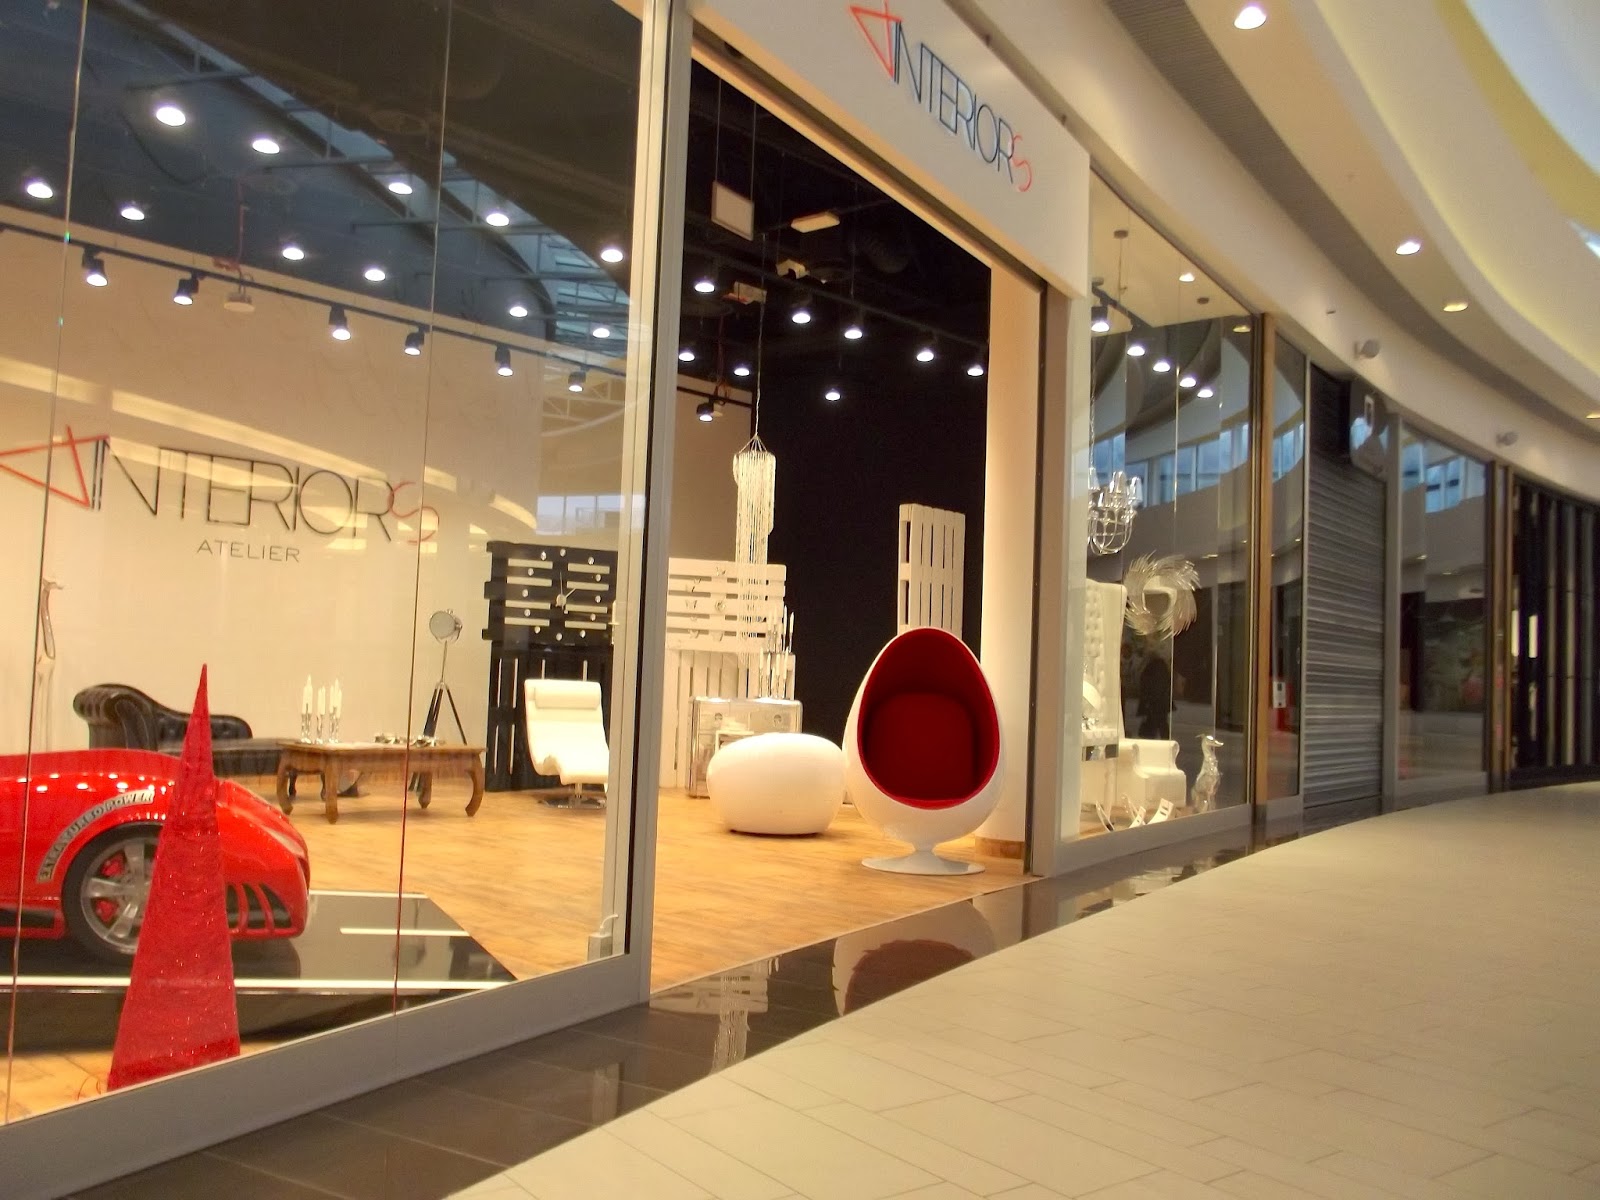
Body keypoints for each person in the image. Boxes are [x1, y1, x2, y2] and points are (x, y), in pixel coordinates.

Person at [1136, 645, 1173, 739]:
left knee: (1157, 722)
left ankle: (1157, 738)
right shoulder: (1158, 665)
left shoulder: (1154, 666)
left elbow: (1152, 684)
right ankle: (1161, 739)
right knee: (1160, 723)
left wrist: (1149, 700)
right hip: (1158, 701)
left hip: (1155, 701)